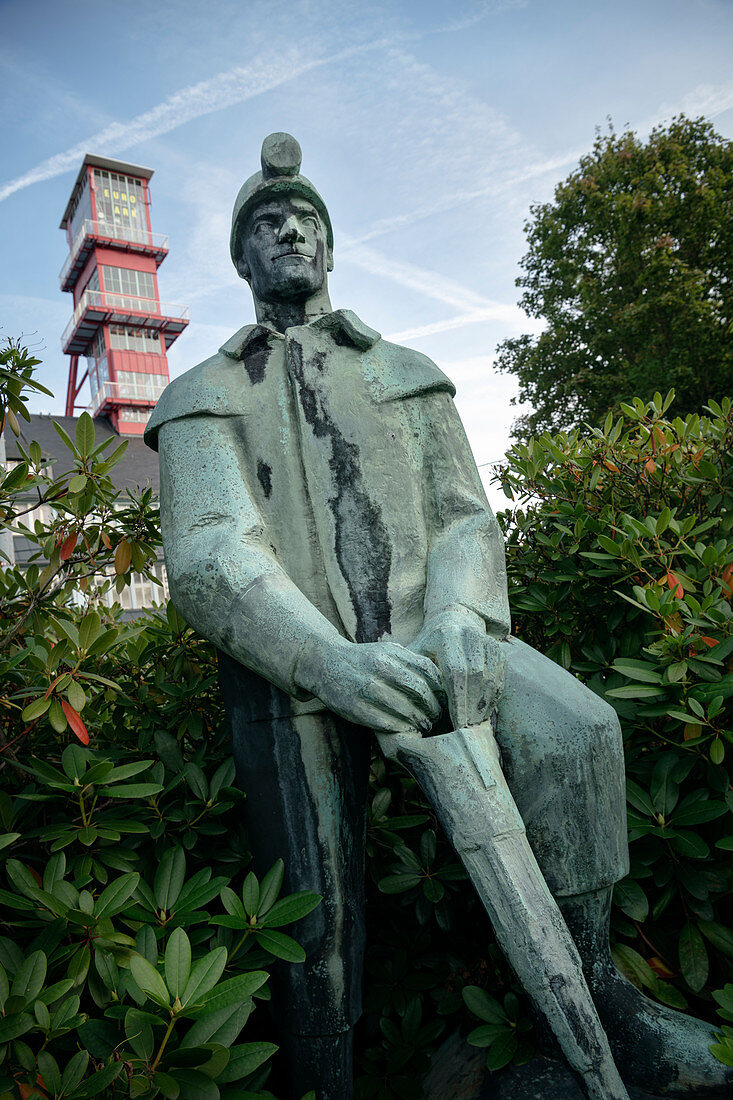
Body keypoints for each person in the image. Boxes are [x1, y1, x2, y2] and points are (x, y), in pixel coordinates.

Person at [145, 133, 730, 1100]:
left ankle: (594, 991)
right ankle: (321, 1070)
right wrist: (326, 662)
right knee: (312, 907)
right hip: (297, 664)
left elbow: (465, 516)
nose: (287, 229)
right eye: (264, 222)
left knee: (578, 737)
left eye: (304, 220)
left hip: (436, 634)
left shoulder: (404, 370)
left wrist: (461, 618)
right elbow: (211, 554)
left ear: (328, 249)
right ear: (243, 259)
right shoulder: (203, 393)